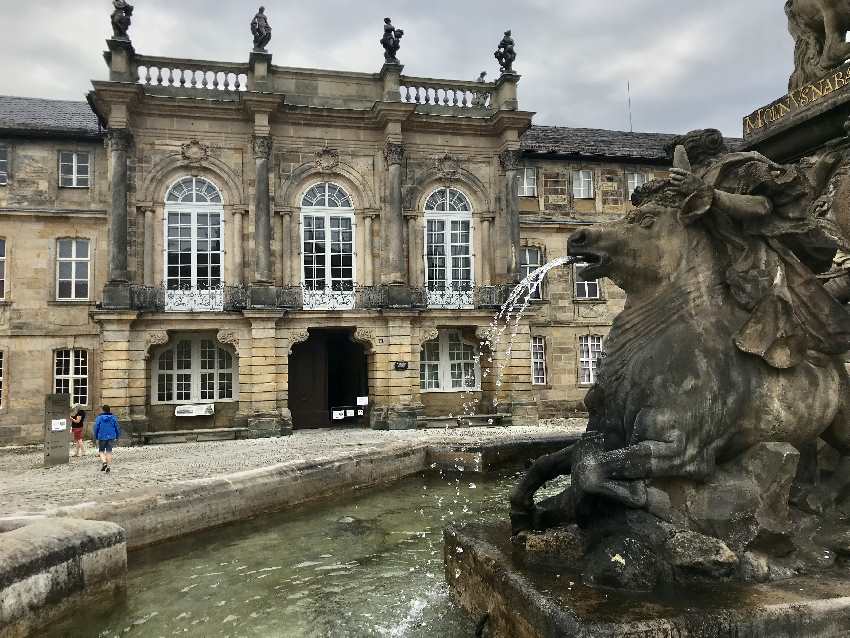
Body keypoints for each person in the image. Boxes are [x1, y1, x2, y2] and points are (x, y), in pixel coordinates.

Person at [93, 405, 121, 473]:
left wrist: (96, 436)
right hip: (111, 436)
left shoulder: (99, 418)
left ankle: (104, 462)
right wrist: (117, 436)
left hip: (102, 436)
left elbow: (96, 427)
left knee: (101, 451)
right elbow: (117, 427)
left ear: (103, 410)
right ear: (109, 410)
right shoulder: (113, 418)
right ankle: (108, 467)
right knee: (109, 451)